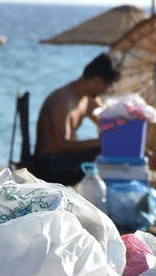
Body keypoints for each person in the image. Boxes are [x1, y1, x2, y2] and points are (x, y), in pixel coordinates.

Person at [30, 53, 121, 186]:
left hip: (66, 158)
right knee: (104, 156)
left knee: (112, 152)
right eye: (107, 86)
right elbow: (62, 145)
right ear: (97, 81)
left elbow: (107, 125)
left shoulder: (88, 99)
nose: (106, 91)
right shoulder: (63, 100)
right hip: (48, 165)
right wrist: (100, 142)